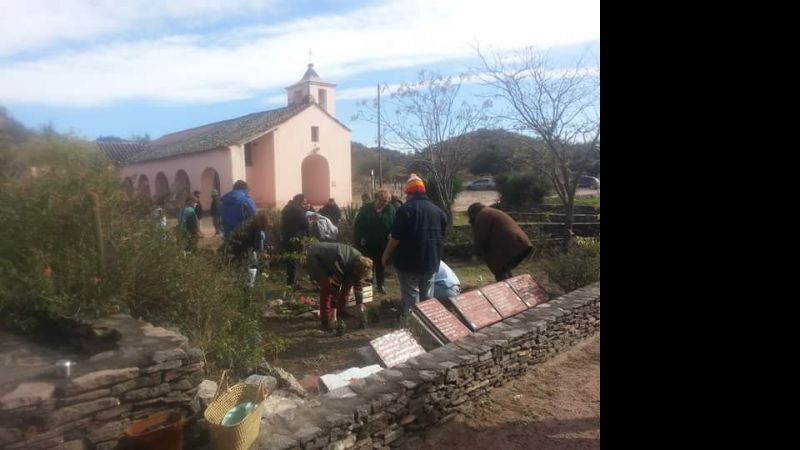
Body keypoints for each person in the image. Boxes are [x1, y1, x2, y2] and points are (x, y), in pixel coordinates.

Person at [382, 174, 448, 311]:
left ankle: (414, 327)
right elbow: (441, 236)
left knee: (411, 299)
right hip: (431, 262)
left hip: (409, 263)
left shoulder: (405, 210)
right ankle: (428, 326)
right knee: (427, 298)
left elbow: (395, 238)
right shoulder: (439, 212)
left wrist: (386, 254)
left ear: (409, 193)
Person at [306, 242, 373, 331]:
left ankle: (340, 311)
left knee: (348, 283)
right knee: (327, 287)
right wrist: (333, 317)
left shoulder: (361, 262)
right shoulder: (341, 263)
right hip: (317, 257)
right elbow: (335, 290)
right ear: (355, 270)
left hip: (337, 261)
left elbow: (358, 283)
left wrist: (360, 304)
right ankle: (326, 320)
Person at [467, 202, 533, 281]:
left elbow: (481, 237)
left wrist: (475, 253)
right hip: (519, 242)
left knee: (500, 271)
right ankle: (511, 288)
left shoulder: (482, 215)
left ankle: (506, 291)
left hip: (511, 244)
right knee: (504, 269)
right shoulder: (488, 212)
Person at [353, 189, 396, 294]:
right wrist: (359, 239)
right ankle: (368, 286)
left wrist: (392, 236)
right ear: (376, 198)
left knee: (381, 264)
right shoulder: (366, 209)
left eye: (385, 201)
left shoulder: (390, 209)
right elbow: (358, 225)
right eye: (381, 200)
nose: (383, 203)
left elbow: (394, 225)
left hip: (383, 244)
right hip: (367, 243)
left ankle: (381, 285)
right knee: (368, 265)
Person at [281, 194, 310, 286]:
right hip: (296, 237)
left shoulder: (286, 208)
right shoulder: (297, 209)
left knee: (290, 261)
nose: (305, 204)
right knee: (295, 260)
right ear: (300, 201)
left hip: (286, 236)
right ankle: (292, 283)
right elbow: (305, 224)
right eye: (304, 202)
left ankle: (291, 282)